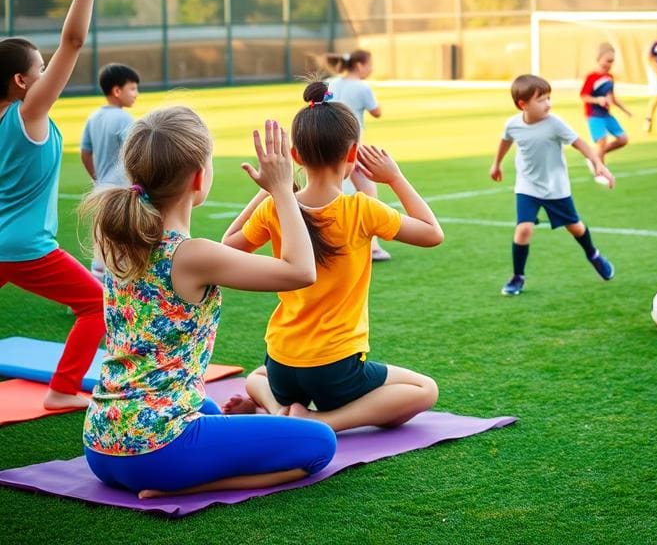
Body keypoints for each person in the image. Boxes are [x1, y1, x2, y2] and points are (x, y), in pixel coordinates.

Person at [81, 109, 336, 498]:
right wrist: (283, 189)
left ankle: (174, 472)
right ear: (200, 177)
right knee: (320, 443)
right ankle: (174, 487)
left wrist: (270, 190)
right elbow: (302, 271)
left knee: (214, 411)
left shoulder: (120, 241)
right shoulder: (193, 255)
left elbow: (226, 250)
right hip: (158, 450)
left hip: (100, 444)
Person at [221, 81, 444, 432]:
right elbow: (432, 233)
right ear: (352, 155)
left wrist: (270, 191)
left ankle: (278, 408)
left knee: (257, 377)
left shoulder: (276, 207)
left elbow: (228, 245)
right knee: (424, 389)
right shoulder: (361, 208)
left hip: (282, 363)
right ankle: (323, 420)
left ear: (295, 157)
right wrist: (395, 177)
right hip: (335, 370)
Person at [0, 0, 120, 411]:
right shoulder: (28, 114)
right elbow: (72, 43)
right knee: (97, 304)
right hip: (24, 246)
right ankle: (62, 390)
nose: (48, 70)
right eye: (40, 67)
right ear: (23, 81)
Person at [491, 74, 616, 296]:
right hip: (527, 187)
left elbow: (580, 143)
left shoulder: (555, 123)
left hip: (556, 188)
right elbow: (505, 141)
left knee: (575, 227)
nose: (548, 103)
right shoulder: (513, 124)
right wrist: (496, 164)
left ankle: (593, 254)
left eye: (549, 98)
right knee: (524, 229)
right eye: (541, 99)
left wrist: (598, 163)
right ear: (523, 104)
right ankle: (517, 276)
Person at [326, 49, 391, 261]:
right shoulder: (362, 87)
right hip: (351, 145)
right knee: (368, 187)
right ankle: (372, 245)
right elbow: (377, 112)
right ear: (360, 65)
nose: (371, 69)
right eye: (369, 64)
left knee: (330, 188)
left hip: (328, 140)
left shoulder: (332, 82)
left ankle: (331, 239)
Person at [81, 62, 141, 282]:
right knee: (124, 242)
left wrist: (97, 179)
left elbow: (85, 152)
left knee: (103, 242)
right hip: (122, 192)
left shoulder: (94, 117)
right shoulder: (125, 119)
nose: (136, 94)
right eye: (133, 88)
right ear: (117, 91)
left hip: (103, 190)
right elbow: (135, 156)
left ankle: (93, 289)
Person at [579, 42, 633, 182]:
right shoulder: (592, 77)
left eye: (612, 61)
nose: (609, 64)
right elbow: (584, 96)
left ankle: (593, 157)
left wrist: (625, 110)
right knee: (601, 142)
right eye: (607, 60)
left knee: (623, 139)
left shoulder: (609, 77)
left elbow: (612, 97)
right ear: (599, 59)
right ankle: (600, 172)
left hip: (606, 115)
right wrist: (598, 100)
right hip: (594, 115)